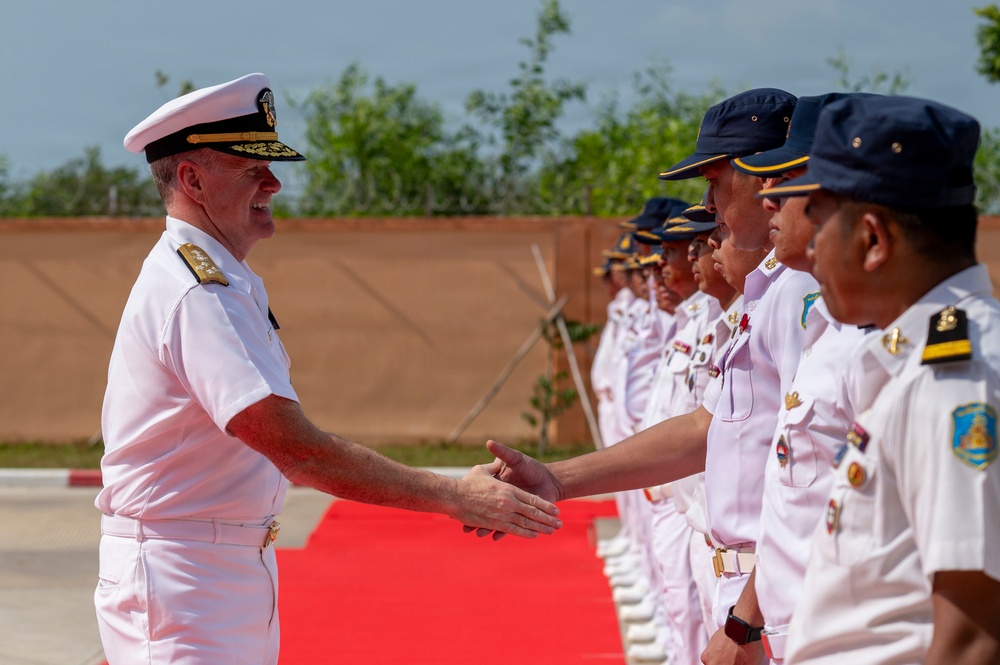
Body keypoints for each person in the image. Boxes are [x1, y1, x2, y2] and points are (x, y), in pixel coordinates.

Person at [94, 73, 562, 665]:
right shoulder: (196, 292)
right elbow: (296, 450)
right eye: (251, 170)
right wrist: (453, 496)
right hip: (185, 578)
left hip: (214, 571)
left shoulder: (219, 281)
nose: (274, 183)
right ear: (192, 180)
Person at [486, 88, 817, 665]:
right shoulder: (763, 297)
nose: (708, 205)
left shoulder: (796, 296)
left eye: (715, 182)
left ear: (767, 180)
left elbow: (809, 485)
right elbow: (703, 430)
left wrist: (746, 624)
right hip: (746, 588)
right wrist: (556, 478)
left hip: (770, 600)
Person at [759, 95, 1000, 664]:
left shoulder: (950, 381)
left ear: (873, 239)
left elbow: (973, 638)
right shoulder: (918, 360)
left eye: (818, 224)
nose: (811, 249)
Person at [727, 93, 872, 663]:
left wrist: (745, 624)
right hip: (796, 630)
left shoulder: (885, 345)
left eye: (785, 182)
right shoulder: (826, 321)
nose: (767, 200)